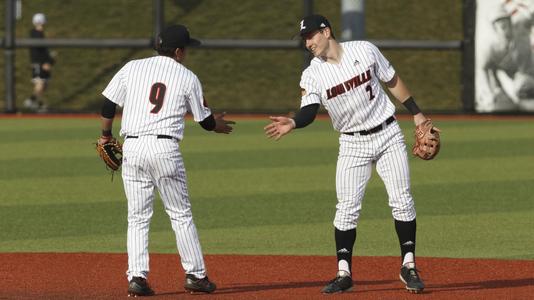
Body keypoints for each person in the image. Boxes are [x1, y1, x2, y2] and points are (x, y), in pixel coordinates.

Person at [265, 14, 436, 294]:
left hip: (388, 133)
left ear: (327, 31)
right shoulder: (312, 73)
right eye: (304, 39)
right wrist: (294, 122)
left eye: (311, 36)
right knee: (346, 210)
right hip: (352, 144)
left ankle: (409, 266)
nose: (308, 42)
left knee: (402, 200)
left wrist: (417, 113)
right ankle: (344, 273)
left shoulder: (364, 50)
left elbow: (392, 80)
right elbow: (309, 109)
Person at [98, 24, 235, 297]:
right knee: (180, 214)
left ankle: (137, 277)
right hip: (164, 149)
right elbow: (205, 121)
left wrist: (105, 136)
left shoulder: (132, 67)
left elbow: (107, 103)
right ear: (179, 51)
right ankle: (195, 275)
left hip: (133, 147)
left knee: (137, 217)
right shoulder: (187, 76)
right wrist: (217, 125)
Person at [476, 2, 534, 111]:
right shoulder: (491, 48)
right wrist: (494, 91)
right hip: (516, 86)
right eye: (501, 26)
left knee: (523, 84)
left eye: (507, 23)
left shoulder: (521, 28)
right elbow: (485, 69)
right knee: (500, 106)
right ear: (494, 28)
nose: (506, 29)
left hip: (527, 80)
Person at [24, 13, 55, 113]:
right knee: (40, 82)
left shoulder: (40, 34)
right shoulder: (36, 34)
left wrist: (50, 60)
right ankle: (31, 101)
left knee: (44, 84)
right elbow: (38, 51)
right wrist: (45, 62)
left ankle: (38, 104)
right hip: (39, 63)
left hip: (41, 62)